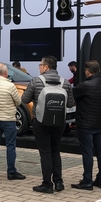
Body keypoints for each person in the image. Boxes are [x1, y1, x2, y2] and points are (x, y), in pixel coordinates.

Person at [21, 56, 75, 194]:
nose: (39, 67)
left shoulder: (36, 81)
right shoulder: (65, 83)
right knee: (55, 150)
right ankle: (58, 182)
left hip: (40, 121)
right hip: (59, 122)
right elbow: (70, 103)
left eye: (40, 65)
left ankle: (47, 184)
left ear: (46, 67)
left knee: (45, 152)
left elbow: (25, 99)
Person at [71, 60, 101, 190]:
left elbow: (72, 96)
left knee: (87, 151)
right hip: (99, 123)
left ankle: (87, 180)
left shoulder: (85, 85)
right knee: (100, 151)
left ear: (88, 71)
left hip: (85, 123)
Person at [0, 63, 25, 180]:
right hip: (8, 119)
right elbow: (18, 102)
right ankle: (11, 171)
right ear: (5, 73)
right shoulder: (10, 86)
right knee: (10, 145)